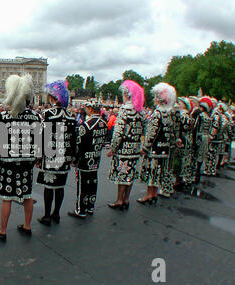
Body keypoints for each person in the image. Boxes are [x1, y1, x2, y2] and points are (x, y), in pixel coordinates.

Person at [0, 74, 41, 241]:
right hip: (27, 163)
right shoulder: (35, 117)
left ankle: (3, 231)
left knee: (7, 198)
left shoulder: (4, 117)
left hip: (8, 163)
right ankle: (27, 226)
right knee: (27, 194)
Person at [36, 80, 76, 225]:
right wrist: (72, 156)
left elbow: (41, 136)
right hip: (64, 156)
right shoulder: (71, 116)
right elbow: (73, 139)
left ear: (53, 98)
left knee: (49, 187)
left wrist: (38, 157)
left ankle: (47, 215)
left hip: (51, 155)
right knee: (60, 187)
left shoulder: (48, 114)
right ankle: (56, 213)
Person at [107, 80, 144, 210]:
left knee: (122, 174)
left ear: (127, 94)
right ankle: (127, 198)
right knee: (130, 174)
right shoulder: (140, 111)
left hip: (123, 150)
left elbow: (118, 132)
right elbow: (142, 131)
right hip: (134, 149)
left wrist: (113, 148)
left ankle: (119, 199)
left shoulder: (124, 110)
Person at [137, 83, 176, 205]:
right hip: (164, 148)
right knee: (158, 171)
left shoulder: (157, 113)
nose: (153, 99)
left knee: (151, 172)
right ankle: (154, 193)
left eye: (155, 97)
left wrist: (145, 146)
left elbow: (151, 132)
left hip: (154, 149)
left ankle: (149, 194)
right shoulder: (169, 113)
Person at [70, 100, 107, 218]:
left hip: (85, 160)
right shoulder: (104, 123)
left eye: (87, 107)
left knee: (82, 185)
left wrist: (75, 159)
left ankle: (80, 209)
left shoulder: (86, 125)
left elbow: (79, 144)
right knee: (93, 182)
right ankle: (90, 206)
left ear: (90, 109)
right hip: (96, 158)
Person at [191, 97, 213, 196]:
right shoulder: (209, 117)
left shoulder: (200, 116)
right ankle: (198, 175)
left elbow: (195, 126)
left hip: (199, 136)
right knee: (201, 157)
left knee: (196, 155)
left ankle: (194, 175)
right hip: (206, 137)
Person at [175, 97, 196, 189]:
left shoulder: (183, 115)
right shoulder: (189, 115)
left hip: (183, 140)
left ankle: (178, 180)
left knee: (179, 159)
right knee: (185, 159)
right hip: (188, 139)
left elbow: (180, 128)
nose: (178, 104)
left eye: (180, 103)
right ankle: (181, 179)